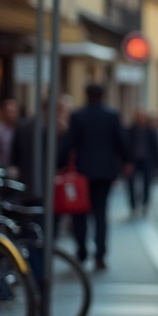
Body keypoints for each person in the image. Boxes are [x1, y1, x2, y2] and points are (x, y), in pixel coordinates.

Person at [59, 84, 131, 270]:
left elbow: (69, 143)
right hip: (105, 172)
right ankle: (100, 254)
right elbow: (121, 142)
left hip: (83, 172)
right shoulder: (112, 116)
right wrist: (127, 161)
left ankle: (81, 250)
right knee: (101, 213)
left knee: (80, 212)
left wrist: (58, 165)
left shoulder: (78, 116)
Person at [126, 108, 158, 217]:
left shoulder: (150, 131)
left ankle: (145, 204)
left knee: (147, 184)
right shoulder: (130, 130)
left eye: (142, 117)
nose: (140, 119)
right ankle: (133, 205)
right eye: (138, 116)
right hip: (133, 161)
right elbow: (125, 147)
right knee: (131, 184)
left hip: (147, 161)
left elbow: (155, 148)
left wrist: (157, 166)